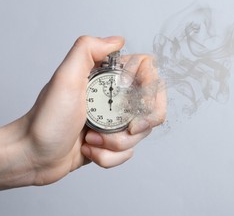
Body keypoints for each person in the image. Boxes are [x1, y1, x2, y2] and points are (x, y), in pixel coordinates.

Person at [0, 36, 166, 190]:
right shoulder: (88, 78)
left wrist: (29, 152)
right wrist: (29, 150)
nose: (110, 102)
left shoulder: (127, 80)